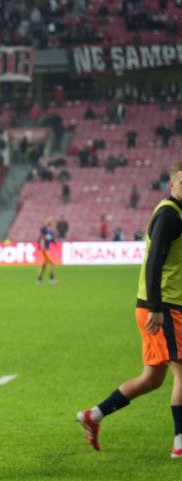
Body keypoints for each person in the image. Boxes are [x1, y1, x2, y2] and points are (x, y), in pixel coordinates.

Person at [77, 161, 182, 460]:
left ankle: (93, 415)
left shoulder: (177, 214)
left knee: (153, 379)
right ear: (172, 185)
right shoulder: (168, 215)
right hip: (163, 307)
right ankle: (180, 443)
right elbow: (154, 262)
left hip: (164, 305)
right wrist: (156, 308)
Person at [37, 217, 58, 285]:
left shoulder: (50, 231)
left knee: (44, 265)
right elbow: (42, 238)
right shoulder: (43, 229)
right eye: (48, 220)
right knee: (51, 263)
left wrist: (54, 242)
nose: (49, 221)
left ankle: (39, 280)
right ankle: (52, 279)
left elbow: (51, 239)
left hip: (46, 249)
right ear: (45, 221)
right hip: (44, 249)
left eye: (50, 220)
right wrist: (42, 247)